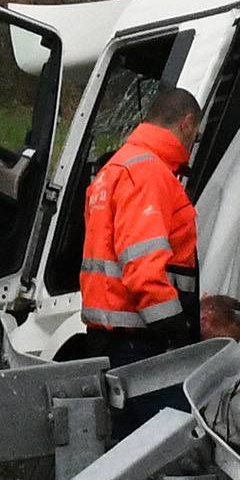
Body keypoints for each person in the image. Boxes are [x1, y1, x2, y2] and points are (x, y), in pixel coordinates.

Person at [79, 85, 205, 375]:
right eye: (194, 137)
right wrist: (177, 335)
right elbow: (144, 273)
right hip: (141, 342)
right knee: (169, 420)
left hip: (110, 337)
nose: (191, 145)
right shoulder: (148, 173)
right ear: (186, 123)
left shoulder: (114, 168)